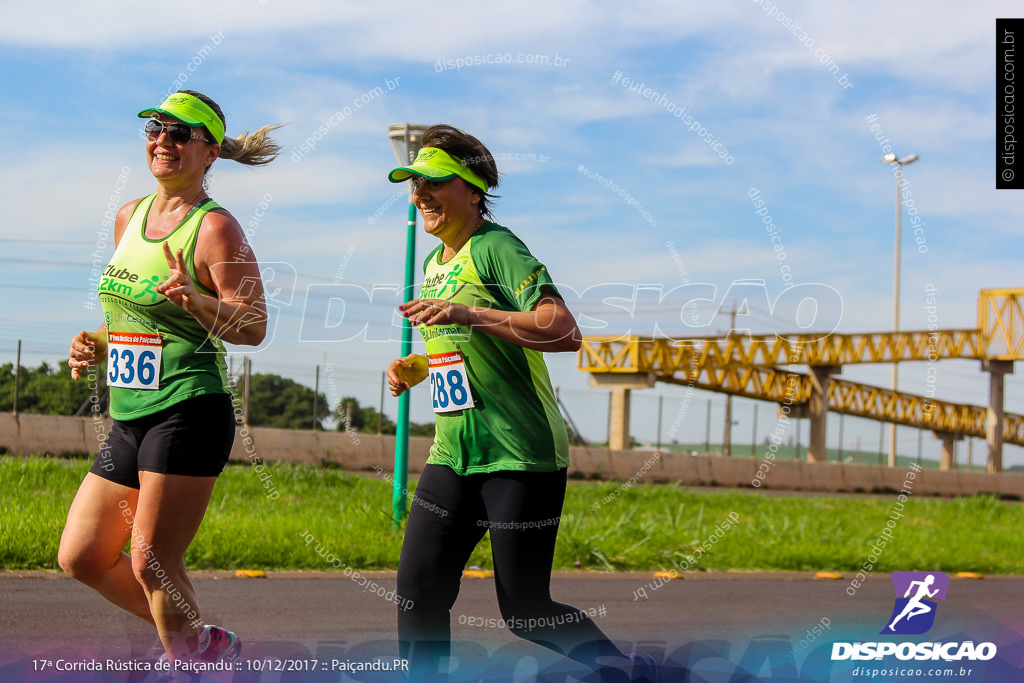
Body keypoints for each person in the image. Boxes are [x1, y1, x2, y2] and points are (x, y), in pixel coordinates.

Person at [385, 125, 659, 683]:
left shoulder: (497, 247)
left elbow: (563, 330)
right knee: (418, 590)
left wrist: (469, 314)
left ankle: (626, 672)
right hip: (454, 454)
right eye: (414, 184)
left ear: (473, 190)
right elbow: (460, 350)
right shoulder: (437, 262)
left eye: (433, 182)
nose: (420, 195)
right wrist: (413, 368)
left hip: (519, 455)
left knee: (528, 611)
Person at [60, 90, 280, 666]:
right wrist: (95, 342)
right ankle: (203, 644)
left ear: (209, 153)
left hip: (188, 408)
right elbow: (133, 313)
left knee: (150, 559)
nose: (164, 141)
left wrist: (197, 302)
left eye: (181, 134)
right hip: (131, 412)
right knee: (81, 556)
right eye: (156, 129)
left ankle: (190, 666)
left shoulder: (216, 230)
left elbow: (254, 326)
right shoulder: (128, 217)